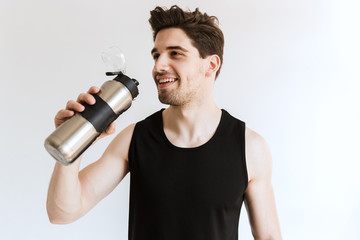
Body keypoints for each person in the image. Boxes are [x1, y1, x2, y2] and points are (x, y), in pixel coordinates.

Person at [47, 5, 282, 240]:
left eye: (175, 53)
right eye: (156, 55)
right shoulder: (134, 138)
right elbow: (62, 213)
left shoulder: (249, 147)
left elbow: (270, 237)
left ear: (211, 65)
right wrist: (74, 142)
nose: (158, 66)